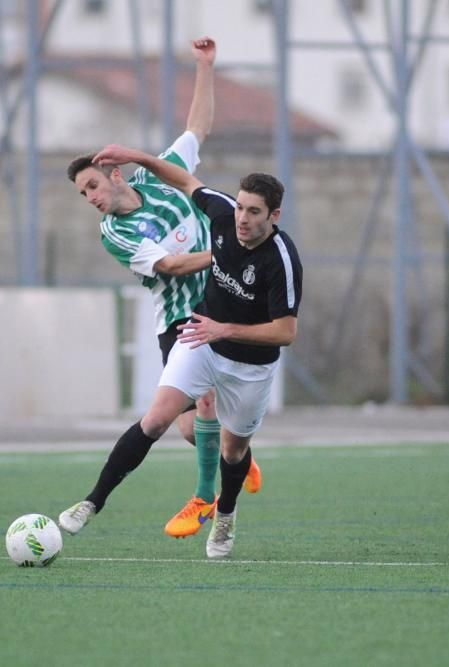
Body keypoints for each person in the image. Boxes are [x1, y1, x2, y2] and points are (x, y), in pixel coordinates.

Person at [62, 36, 260, 540]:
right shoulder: (115, 232)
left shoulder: (161, 178)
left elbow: (198, 127)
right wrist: (226, 253)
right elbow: (170, 265)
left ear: (114, 171)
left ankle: (198, 497)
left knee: (206, 411)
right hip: (176, 319)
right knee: (191, 427)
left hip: (217, 307)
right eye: (83, 193)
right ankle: (237, 459)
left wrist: (205, 66)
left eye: (91, 185)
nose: (89, 198)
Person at [61, 144, 302, 559]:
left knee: (234, 450)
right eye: (240, 208)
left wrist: (226, 328)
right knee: (156, 420)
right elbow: (184, 179)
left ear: (274, 216)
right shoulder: (224, 215)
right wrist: (136, 156)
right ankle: (92, 501)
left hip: (250, 365)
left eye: (254, 212)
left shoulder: (281, 260)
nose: (242, 219)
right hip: (201, 338)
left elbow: (286, 332)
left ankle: (224, 515)